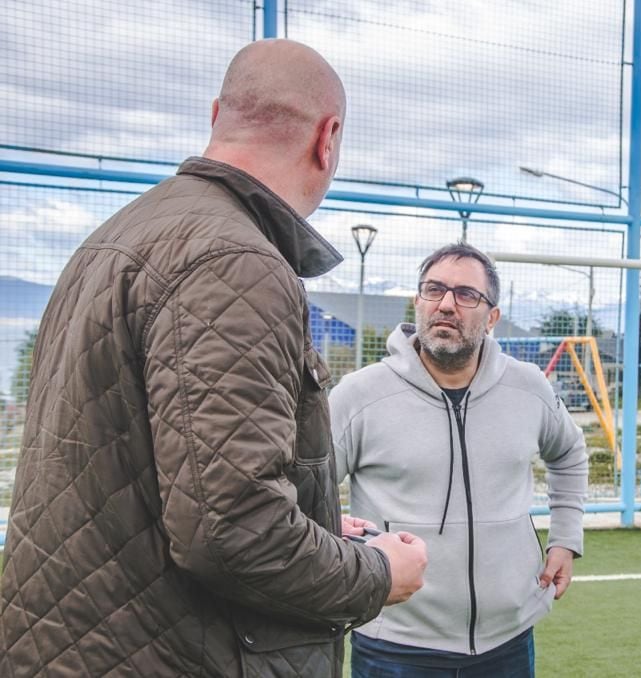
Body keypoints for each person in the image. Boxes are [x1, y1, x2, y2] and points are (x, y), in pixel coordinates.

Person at [0, 39, 427, 677]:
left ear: (214, 117)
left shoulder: (116, 236)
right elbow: (230, 532)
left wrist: (311, 516)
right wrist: (376, 572)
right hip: (168, 653)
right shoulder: (235, 262)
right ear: (327, 137)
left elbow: (161, 475)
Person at [329, 243, 589, 677]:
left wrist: (565, 538)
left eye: (466, 294)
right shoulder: (358, 395)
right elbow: (301, 489)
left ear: (492, 317)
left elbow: (569, 453)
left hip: (507, 639)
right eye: (434, 290)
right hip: (394, 643)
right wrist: (331, 529)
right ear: (418, 302)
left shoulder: (529, 388)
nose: (446, 304)